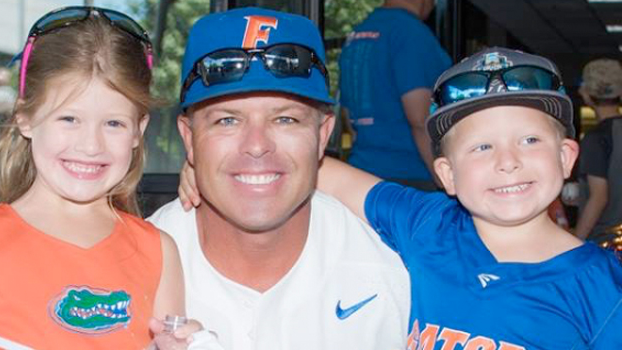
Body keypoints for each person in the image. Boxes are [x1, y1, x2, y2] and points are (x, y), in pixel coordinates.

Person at [179, 47, 622, 348]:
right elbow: (317, 168)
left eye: (529, 141)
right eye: (482, 147)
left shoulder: (605, 287)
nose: (507, 162)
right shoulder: (426, 224)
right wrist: (211, 163)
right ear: (445, 173)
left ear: (567, 158)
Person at [0, 6, 213, 349]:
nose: (91, 145)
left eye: (113, 123)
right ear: (25, 118)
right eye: (69, 119)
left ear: (139, 130)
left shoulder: (160, 252)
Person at [148, 7, 410, 350]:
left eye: (285, 119)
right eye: (227, 120)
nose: (257, 146)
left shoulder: (396, 275)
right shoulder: (131, 266)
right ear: (189, 138)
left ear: (323, 135)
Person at [338, 0, 452, 190]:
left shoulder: (357, 34)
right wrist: (446, 183)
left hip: (362, 175)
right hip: (412, 179)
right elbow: (420, 119)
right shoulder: (411, 33)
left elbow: (348, 117)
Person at [575, 58, 622, 242]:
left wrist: (575, 245)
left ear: (586, 94)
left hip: (608, 244)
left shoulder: (596, 138)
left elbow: (599, 198)